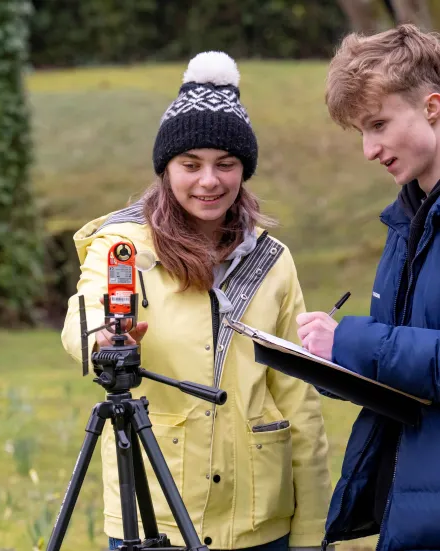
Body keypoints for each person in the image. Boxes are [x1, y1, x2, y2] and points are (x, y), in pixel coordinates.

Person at [61, 51, 332, 551]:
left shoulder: (273, 261)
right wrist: (103, 339)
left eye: (225, 165)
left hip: (260, 520)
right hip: (153, 512)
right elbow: (85, 316)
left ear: (243, 170)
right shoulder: (123, 245)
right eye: (191, 165)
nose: (209, 181)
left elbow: (299, 398)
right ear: (166, 169)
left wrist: (313, 530)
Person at [296, 24, 440, 551]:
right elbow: (400, 367)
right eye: (361, 131)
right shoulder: (406, 220)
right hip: (414, 510)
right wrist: (329, 359)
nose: (369, 149)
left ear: (432, 107)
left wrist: (353, 341)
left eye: (378, 124)